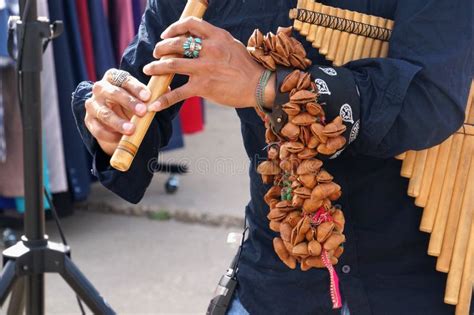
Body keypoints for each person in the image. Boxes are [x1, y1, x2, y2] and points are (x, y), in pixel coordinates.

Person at [71, 1, 473, 314]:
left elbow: (428, 101)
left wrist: (267, 85)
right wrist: (111, 119)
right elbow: (145, 82)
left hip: (413, 276)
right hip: (279, 273)